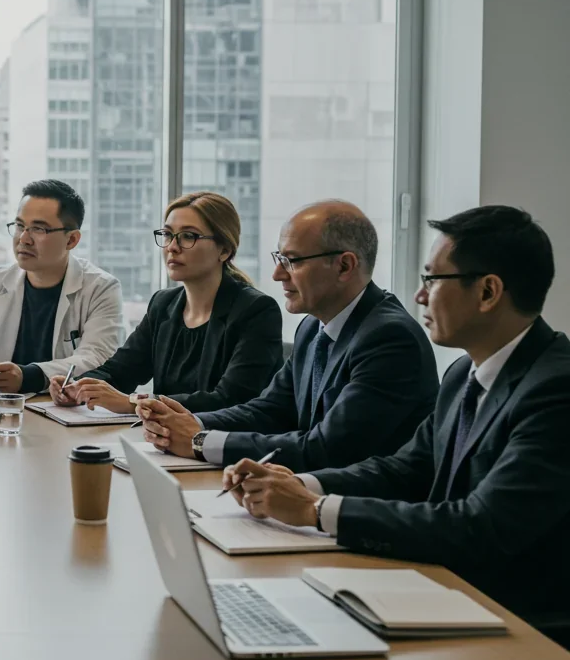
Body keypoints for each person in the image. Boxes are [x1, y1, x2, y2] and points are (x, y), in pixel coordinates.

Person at [221, 205, 568, 635]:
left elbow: (481, 527)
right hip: (447, 591)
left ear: (488, 292)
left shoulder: (556, 389)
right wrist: (299, 485)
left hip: (521, 625)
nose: (420, 296)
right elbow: (404, 468)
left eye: (432, 280)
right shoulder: (463, 373)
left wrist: (315, 510)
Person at [139, 200, 438, 472]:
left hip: (361, 513)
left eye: (292, 261)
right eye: (279, 258)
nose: (277, 275)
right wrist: (195, 422)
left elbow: (327, 449)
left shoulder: (390, 339)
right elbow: (272, 409)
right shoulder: (312, 327)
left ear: (344, 266)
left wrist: (201, 441)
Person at [48, 191, 282, 413]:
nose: (172, 247)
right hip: (162, 442)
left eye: (189, 236)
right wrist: (77, 387)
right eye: (168, 234)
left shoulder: (257, 311)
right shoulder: (164, 304)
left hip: (224, 446)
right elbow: (121, 370)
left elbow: (230, 399)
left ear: (224, 250)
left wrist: (134, 403)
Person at [0, 179, 124, 394]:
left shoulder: (101, 288)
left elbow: (98, 357)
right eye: (19, 226)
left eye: (39, 229)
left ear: (71, 240)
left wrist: (29, 376)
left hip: (62, 412)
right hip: (1, 411)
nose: (24, 239)